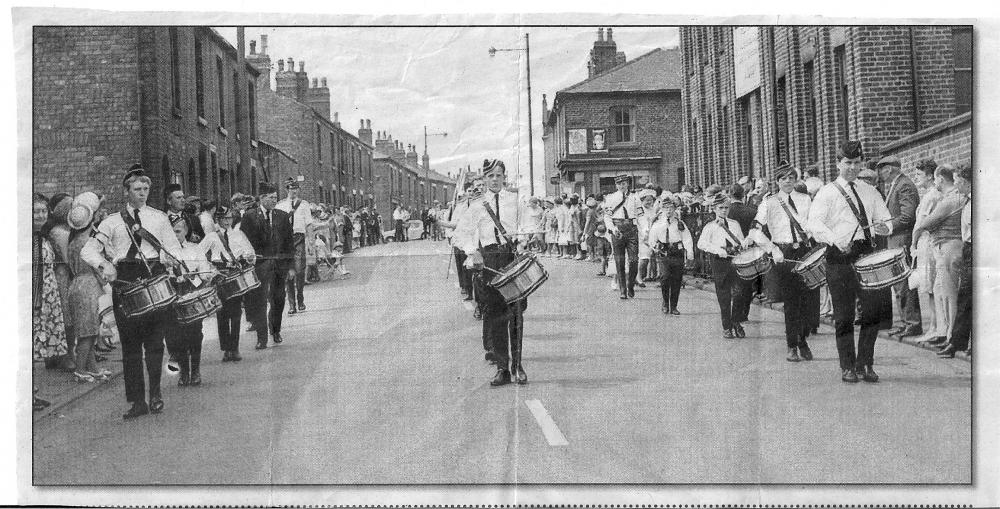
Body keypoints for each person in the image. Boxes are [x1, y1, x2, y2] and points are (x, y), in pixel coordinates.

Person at [81, 164, 184, 419]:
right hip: (124, 282)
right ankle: (137, 401)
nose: (142, 193)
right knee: (130, 346)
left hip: (154, 277)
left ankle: (156, 393)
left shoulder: (158, 218)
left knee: (154, 343)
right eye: (137, 189)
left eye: (146, 189)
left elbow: (174, 248)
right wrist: (105, 264)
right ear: (126, 191)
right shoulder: (111, 222)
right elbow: (88, 251)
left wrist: (171, 260)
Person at [807, 141, 893, 383]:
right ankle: (847, 366)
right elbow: (813, 224)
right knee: (843, 316)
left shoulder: (870, 191)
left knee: (872, 313)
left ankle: (866, 363)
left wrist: (885, 226)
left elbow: (885, 218)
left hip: (867, 255)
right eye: (848, 163)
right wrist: (834, 239)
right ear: (838, 164)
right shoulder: (827, 192)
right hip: (839, 258)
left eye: (857, 163)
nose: (853, 168)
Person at [458, 159, 527, 386]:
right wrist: (472, 252)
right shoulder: (477, 205)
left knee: (516, 314)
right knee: (496, 316)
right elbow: (461, 234)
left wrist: (525, 240)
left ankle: (517, 366)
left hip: (512, 258)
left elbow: (525, 227)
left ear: (504, 176)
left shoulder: (516, 201)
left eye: (499, 175)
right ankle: (502, 369)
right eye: (491, 176)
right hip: (489, 260)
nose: (495, 179)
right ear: (484, 179)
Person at [745, 162, 817, 361]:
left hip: (804, 251)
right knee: (791, 302)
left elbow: (813, 222)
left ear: (796, 180)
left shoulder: (805, 199)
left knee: (807, 301)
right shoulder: (769, 202)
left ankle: (803, 339)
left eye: (791, 178)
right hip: (783, 253)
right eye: (783, 178)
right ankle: (792, 345)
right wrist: (773, 249)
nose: (787, 181)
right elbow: (755, 230)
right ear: (777, 181)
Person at [910, 164, 967, 348]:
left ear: (940, 179)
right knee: (942, 291)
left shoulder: (950, 200)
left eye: (935, 179)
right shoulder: (956, 198)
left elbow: (925, 223)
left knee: (948, 295)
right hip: (950, 246)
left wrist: (914, 240)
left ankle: (950, 336)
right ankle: (946, 332)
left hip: (948, 248)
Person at [164, 214, 219, 386]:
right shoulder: (164, 251)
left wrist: (199, 276)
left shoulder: (195, 249)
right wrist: (173, 273)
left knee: (195, 333)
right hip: (173, 295)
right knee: (176, 335)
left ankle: (195, 370)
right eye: (172, 232)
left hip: (193, 293)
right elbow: (164, 272)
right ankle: (184, 372)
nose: (175, 235)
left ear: (186, 231)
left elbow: (204, 269)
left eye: (179, 231)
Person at [240, 182, 294, 350]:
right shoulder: (249, 216)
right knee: (260, 302)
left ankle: (275, 330)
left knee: (278, 299)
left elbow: (289, 244)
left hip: (279, 265)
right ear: (262, 198)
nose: (273, 201)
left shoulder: (283, 216)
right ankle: (261, 338)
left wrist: (291, 266)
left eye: (275, 198)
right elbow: (243, 241)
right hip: (259, 266)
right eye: (270, 198)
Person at [64, 197, 113, 383]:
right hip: (90, 287)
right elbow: (98, 268)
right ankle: (81, 369)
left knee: (88, 330)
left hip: (76, 284)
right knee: (89, 333)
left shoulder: (73, 241)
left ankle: (92, 367)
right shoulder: (89, 243)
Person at [875, 155, 922, 339]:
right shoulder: (897, 184)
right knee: (899, 284)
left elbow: (908, 216)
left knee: (904, 284)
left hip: (901, 240)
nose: (880, 173)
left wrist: (888, 226)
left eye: (882, 168)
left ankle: (912, 323)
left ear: (890, 168)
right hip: (895, 240)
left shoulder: (904, 185)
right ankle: (905, 322)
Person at [201, 206, 255, 362]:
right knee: (222, 313)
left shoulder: (238, 234)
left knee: (236, 312)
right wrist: (210, 269)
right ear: (217, 219)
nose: (226, 221)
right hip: (220, 275)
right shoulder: (211, 237)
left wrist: (249, 257)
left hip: (236, 275)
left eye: (229, 218)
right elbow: (198, 254)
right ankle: (226, 348)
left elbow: (249, 251)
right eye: (223, 218)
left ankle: (235, 347)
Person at [697, 193, 747, 338]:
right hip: (719, 262)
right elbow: (702, 243)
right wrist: (717, 250)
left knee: (739, 292)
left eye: (726, 207)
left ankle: (736, 321)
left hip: (735, 259)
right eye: (721, 208)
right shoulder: (710, 226)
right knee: (724, 294)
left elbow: (740, 240)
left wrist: (742, 245)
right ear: (714, 209)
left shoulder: (734, 224)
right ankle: (727, 326)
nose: (724, 210)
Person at [937, 164, 972, 358]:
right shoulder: (965, 201)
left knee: (968, 297)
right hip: (967, 249)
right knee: (965, 297)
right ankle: (957, 343)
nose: (955, 184)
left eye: (958, 180)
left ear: (966, 182)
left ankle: (959, 343)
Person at [33, 193, 69, 373]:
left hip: (49, 293)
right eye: (36, 212)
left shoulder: (44, 236)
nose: (41, 215)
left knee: (44, 342)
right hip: (36, 296)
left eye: (43, 211)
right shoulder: (27, 239)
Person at [911, 158, 943, 341]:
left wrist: (913, 243)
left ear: (930, 175)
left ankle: (934, 327)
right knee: (929, 286)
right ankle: (934, 326)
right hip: (928, 242)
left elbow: (921, 224)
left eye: (919, 175)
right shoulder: (932, 195)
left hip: (926, 242)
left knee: (930, 285)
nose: (917, 178)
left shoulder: (931, 196)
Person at [648, 196, 693, 315]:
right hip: (664, 253)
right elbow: (652, 238)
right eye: (666, 208)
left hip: (677, 252)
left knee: (677, 279)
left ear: (675, 209)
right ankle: (665, 302)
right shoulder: (658, 224)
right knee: (665, 277)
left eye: (671, 208)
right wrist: (654, 246)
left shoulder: (680, 223)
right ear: (662, 209)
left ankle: (674, 306)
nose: (669, 210)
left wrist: (690, 253)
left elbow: (687, 238)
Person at [275, 177, 313, 315]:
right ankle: (292, 304)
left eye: (296, 188)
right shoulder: (280, 205)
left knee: (299, 270)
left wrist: (311, 243)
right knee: (288, 272)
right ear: (287, 190)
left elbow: (309, 224)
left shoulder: (304, 205)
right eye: (291, 189)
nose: (294, 191)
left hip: (299, 238)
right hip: (285, 240)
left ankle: (300, 298)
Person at [604, 174, 644, 300]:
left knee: (634, 260)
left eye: (624, 183)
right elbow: (607, 217)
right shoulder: (611, 198)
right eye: (619, 184)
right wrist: (612, 228)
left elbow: (641, 215)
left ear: (628, 184)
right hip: (618, 229)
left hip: (632, 229)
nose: (622, 186)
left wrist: (645, 229)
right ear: (616, 185)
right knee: (619, 261)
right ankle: (623, 290)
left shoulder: (635, 197)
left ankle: (630, 284)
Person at [636, 189, 658, 286]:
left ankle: (640, 276)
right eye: (647, 200)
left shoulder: (653, 210)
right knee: (644, 258)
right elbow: (640, 223)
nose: (649, 202)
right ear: (642, 201)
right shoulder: (640, 211)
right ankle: (639, 277)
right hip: (642, 236)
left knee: (648, 258)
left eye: (651, 200)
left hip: (652, 236)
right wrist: (644, 234)